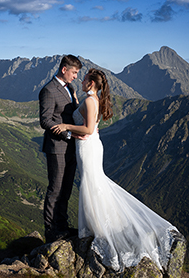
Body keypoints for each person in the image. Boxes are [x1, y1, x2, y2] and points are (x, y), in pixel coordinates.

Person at [51, 68, 180, 272]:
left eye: (84, 79)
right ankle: (97, 225)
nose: (81, 81)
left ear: (91, 83)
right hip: (87, 145)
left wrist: (66, 126)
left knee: (92, 183)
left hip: (88, 147)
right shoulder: (91, 100)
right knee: (93, 183)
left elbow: (88, 129)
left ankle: (101, 228)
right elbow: (87, 122)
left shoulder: (92, 101)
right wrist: (76, 99)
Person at [39, 54, 83, 243]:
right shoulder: (48, 90)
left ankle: (62, 226)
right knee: (55, 189)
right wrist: (67, 134)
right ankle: (51, 231)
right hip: (57, 147)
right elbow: (45, 120)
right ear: (64, 69)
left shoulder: (70, 88)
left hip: (71, 147)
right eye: (74, 72)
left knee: (66, 190)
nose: (76, 77)